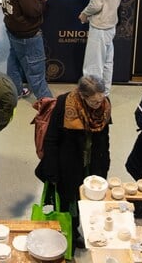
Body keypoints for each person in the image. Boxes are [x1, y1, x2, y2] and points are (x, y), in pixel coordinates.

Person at [34, 75, 110, 236]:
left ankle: (86, 230)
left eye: (101, 99)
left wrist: (105, 163)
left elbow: (105, 137)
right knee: (68, 202)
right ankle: (70, 234)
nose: (99, 105)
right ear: (83, 96)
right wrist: (52, 171)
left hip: (92, 162)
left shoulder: (104, 105)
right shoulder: (64, 104)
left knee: (90, 200)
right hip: (67, 165)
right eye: (94, 102)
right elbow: (51, 139)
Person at [0, 0, 53, 101]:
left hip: (12, 27)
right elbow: (33, 11)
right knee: (36, 70)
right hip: (27, 32)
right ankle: (48, 104)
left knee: (14, 59)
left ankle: (15, 90)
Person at [77, 0, 122, 90]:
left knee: (93, 66)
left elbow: (96, 4)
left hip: (100, 25)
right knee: (107, 63)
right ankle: (104, 94)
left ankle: (91, 97)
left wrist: (84, 14)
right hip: (111, 24)